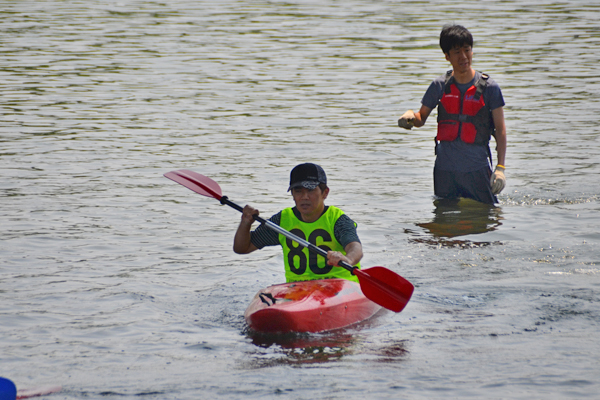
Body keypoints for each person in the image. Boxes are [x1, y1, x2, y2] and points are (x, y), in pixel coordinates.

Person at [398, 24, 507, 205]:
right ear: (447, 56)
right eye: (457, 52)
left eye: (467, 50)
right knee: (443, 222)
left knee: (487, 221)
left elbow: (501, 130)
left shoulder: (490, 88)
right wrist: (409, 116)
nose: (463, 57)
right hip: (444, 170)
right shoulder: (439, 86)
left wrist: (500, 168)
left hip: (476, 169)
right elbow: (420, 118)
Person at [233, 163, 363, 283]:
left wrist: (348, 259)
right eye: (298, 191)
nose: (304, 197)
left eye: (311, 190)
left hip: (340, 286)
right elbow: (242, 248)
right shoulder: (282, 220)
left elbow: (355, 247)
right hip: (298, 291)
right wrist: (245, 223)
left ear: (325, 193)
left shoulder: (337, 219)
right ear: (293, 195)